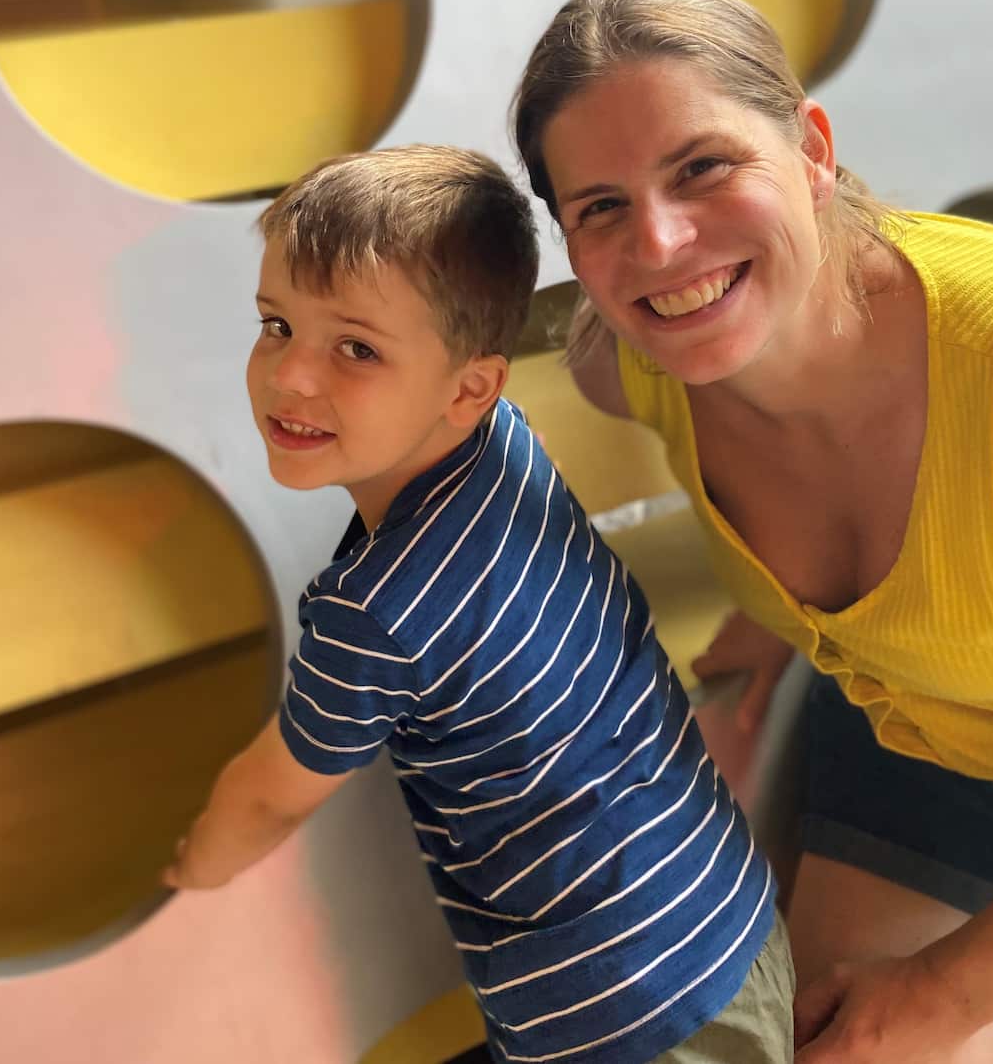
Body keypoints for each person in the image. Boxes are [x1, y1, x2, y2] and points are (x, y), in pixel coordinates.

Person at [511, 0, 993, 1064]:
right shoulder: (640, 357)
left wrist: (946, 992)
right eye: (600, 207)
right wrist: (778, 620)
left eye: (700, 167)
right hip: (940, 738)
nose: (659, 245)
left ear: (809, 148)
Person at [165, 144, 794, 1064]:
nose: (291, 376)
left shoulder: (373, 613)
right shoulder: (501, 442)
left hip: (619, 1020)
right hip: (720, 912)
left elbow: (266, 800)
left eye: (355, 348)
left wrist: (187, 867)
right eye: (275, 325)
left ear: (469, 387)